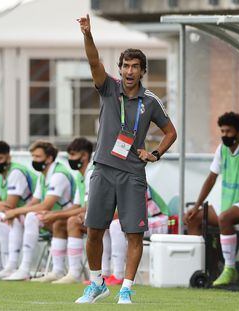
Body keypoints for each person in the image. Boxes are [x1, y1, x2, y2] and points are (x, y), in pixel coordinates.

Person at [76, 14, 177, 304]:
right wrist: (87, 35)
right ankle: (97, 283)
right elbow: (94, 63)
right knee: (93, 230)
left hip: (133, 173)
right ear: (120, 69)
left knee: (133, 233)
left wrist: (155, 153)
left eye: (135, 66)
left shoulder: (151, 101)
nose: (129, 70)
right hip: (103, 169)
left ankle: (126, 288)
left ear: (142, 71)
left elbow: (171, 132)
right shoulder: (109, 88)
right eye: (125, 65)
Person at [184, 112, 239, 287]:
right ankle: (202, 268)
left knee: (224, 218)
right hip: (231, 204)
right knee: (194, 218)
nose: (224, 135)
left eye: (228, 131)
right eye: (222, 131)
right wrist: (197, 206)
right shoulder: (222, 150)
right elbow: (211, 178)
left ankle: (230, 268)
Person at [3, 141, 75, 281]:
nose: (34, 160)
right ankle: (9, 266)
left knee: (30, 216)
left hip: (63, 218)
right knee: (18, 218)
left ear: (49, 158)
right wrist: (17, 213)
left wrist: (16, 211)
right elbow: (35, 201)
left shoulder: (58, 174)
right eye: (33, 157)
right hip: (50, 218)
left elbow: (45, 206)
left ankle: (25, 268)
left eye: (37, 157)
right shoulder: (43, 175)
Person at [31, 137, 96, 283]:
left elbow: (87, 208)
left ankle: (74, 274)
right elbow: (77, 206)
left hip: (110, 217)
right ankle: (58, 271)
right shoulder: (80, 174)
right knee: (59, 223)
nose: (70, 159)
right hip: (93, 216)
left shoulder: (91, 172)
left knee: (72, 221)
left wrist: (54, 214)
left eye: (73, 155)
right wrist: (55, 215)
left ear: (84, 156)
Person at [0, 141, 37, 279]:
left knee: (2, 216)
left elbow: (9, 206)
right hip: (19, 214)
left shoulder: (16, 172)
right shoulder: (0, 174)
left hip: (32, 215)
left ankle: (11, 266)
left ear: (8, 157)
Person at [109, 185, 169, 284]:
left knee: (116, 225)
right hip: (144, 219)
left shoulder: (137, 181)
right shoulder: (119, 180)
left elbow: (128, 211)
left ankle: (118, 275)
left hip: (162, 220)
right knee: (107, 225)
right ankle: (105, 273)